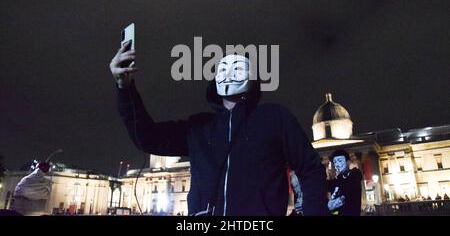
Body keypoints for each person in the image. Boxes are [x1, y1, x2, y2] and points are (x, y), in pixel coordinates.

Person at [110, 45, 328, 216]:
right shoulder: (198, 127)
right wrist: (125, 87)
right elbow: (148, 138)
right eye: (222, 69)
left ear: (253, 79)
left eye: (237, 68)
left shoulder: (274, 117)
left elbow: (310, 167)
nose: (229, 73)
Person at [327, 149, 363, 216]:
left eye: (340, 161)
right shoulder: (335, 181)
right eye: (334, 162)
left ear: (348, 162)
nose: (337, 164)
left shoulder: (354, 175)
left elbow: (349, 190)